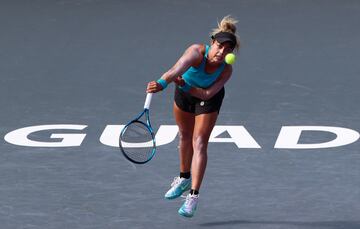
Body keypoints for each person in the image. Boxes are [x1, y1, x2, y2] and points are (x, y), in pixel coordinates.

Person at [146, 15, 240, 217]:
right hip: (184, 94)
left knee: (199, 142)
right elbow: (175, 69)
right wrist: (162, 83)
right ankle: (183, 178)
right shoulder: (196, 51)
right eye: (220, 46)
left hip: (207, 98)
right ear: (212, 43)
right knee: (184, 136)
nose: (222, 52)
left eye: (227, 50)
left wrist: (184, 84)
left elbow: (207, 94)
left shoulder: (226, 70)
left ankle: (193, 197)